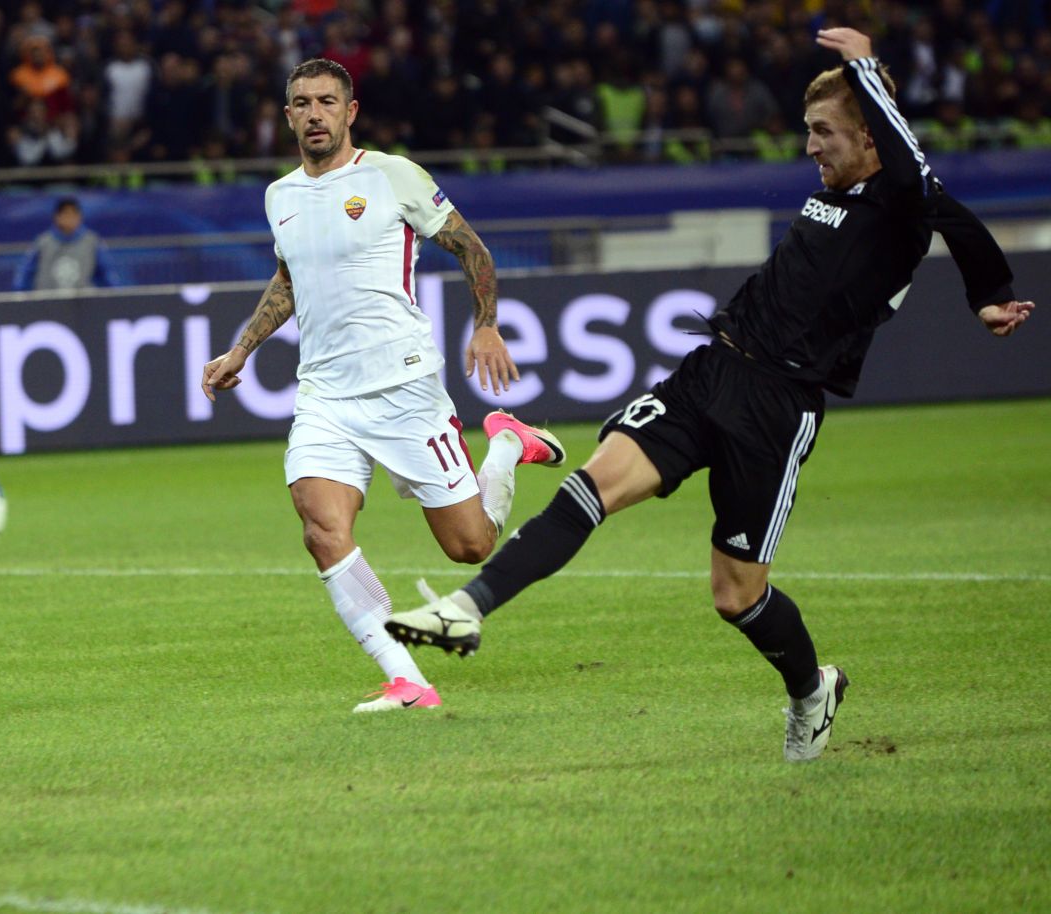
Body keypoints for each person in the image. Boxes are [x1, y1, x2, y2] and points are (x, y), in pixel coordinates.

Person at [386, 29, 1035, 760]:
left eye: (826, 133)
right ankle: (465, 609)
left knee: (737, 596)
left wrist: (991, 294)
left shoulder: (903, 200)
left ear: (870, 135)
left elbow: (939, 195)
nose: (813, 148)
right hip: (713, 371)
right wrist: (991, 292)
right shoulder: (842, 192)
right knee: (593, 483)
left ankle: (811, 690)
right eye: (809, 132)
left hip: (779, 408)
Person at [198, 59, 564, 714]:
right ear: (287, 116)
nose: (314, 113)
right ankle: (407, 679)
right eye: (302, 103)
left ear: (350, 111)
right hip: (325, 397)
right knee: (321, 527)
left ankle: (507, 445)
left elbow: (471, 248)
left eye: (326, 102)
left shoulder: (392, 176)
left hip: (404, 389)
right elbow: (289, 281)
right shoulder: (279, 196)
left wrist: (487, 327)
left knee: (470, 545)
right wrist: (241, 349)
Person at [12, 197, 117, 292]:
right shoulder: (43, 242)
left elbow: (106, 275)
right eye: (65, 214)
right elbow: (25, 274)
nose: (69, 218)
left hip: (81, 306)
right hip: (47, 306)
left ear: (80, 217)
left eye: (73, 214)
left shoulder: (92, 242)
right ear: (57, 217)